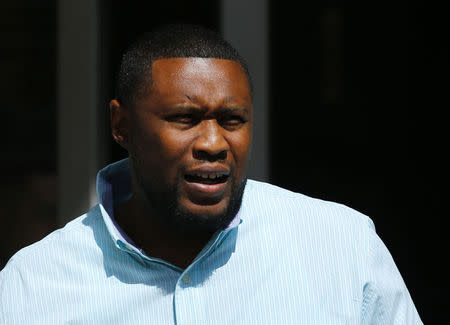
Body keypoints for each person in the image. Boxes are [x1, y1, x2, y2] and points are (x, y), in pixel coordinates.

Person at [0, 24, 422, 324]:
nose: (214, 143)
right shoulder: (32, 287)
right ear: (122, 126)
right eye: (185, 118)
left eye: (233, 119)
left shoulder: (343, 250)